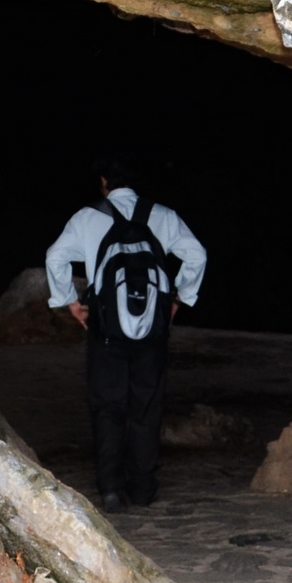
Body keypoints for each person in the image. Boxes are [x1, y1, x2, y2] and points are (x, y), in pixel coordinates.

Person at [44, 158, 207, 513]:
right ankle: (144, 488)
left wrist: (70, 302)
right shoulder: (162, 215)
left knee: (108, 408)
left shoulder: (87, 217)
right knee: (146, 408)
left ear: (104, 181)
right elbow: (197, 255)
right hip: (153, 331)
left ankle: (111, 489)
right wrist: (181, 299)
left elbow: (55, 258)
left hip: (106, 331)